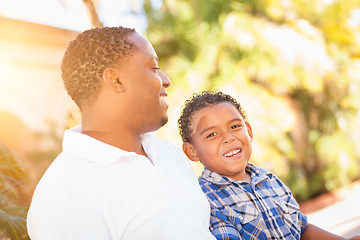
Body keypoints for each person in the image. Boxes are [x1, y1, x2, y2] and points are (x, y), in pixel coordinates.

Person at [27, 27, 216, 240]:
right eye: (154, 68)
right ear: (115, 80)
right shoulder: (65, 192)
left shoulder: (168, 154)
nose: (166, 79)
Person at [177, 90, 360, 240]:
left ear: (248, 131)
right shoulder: (206, 200)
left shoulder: (268, 179)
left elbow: (301, 228)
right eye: (212, 135)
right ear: (192, 151)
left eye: (234, 127)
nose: (228, 138)